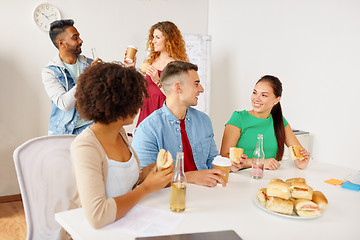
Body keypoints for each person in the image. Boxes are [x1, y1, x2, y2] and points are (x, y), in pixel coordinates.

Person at [61, 62, 173, 239]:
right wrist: (146, 187)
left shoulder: (119, 132)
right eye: (135, 99)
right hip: (91, 233)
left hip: (123, 225)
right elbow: (97, 216)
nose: (140, 105)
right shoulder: (85, 147)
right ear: (118, 104)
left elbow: (122, 184)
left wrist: (146, 174)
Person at [132, 61, 226, 188]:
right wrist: (190, 177)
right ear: (178, 87)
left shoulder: (204, 121)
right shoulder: (147, 129)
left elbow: (212, 160)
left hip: (206, 193)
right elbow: (144, 179)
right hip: (169, 200)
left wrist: (227, 164)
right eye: (196, 84)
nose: (201, 89)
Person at [220, 75, 310, 171]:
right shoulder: (238, 118)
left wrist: (301, 161)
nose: (256, 99)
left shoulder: (279, 121)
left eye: (264, 95)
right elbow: (224, 157)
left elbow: (298, 154)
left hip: (267, 178)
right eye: (255, 93)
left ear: (276, 100)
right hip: (239, 178)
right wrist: (259, 162)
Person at [136, 21, 188, 127]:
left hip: (165, 111)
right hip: (147, 109)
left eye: (157, 37)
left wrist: (157, 80)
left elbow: (179, 97)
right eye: (153, 37)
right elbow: (141, 89)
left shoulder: (179, 65)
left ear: (169, 39)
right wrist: (131, 68)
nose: (153, 41)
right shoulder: (150, 60)